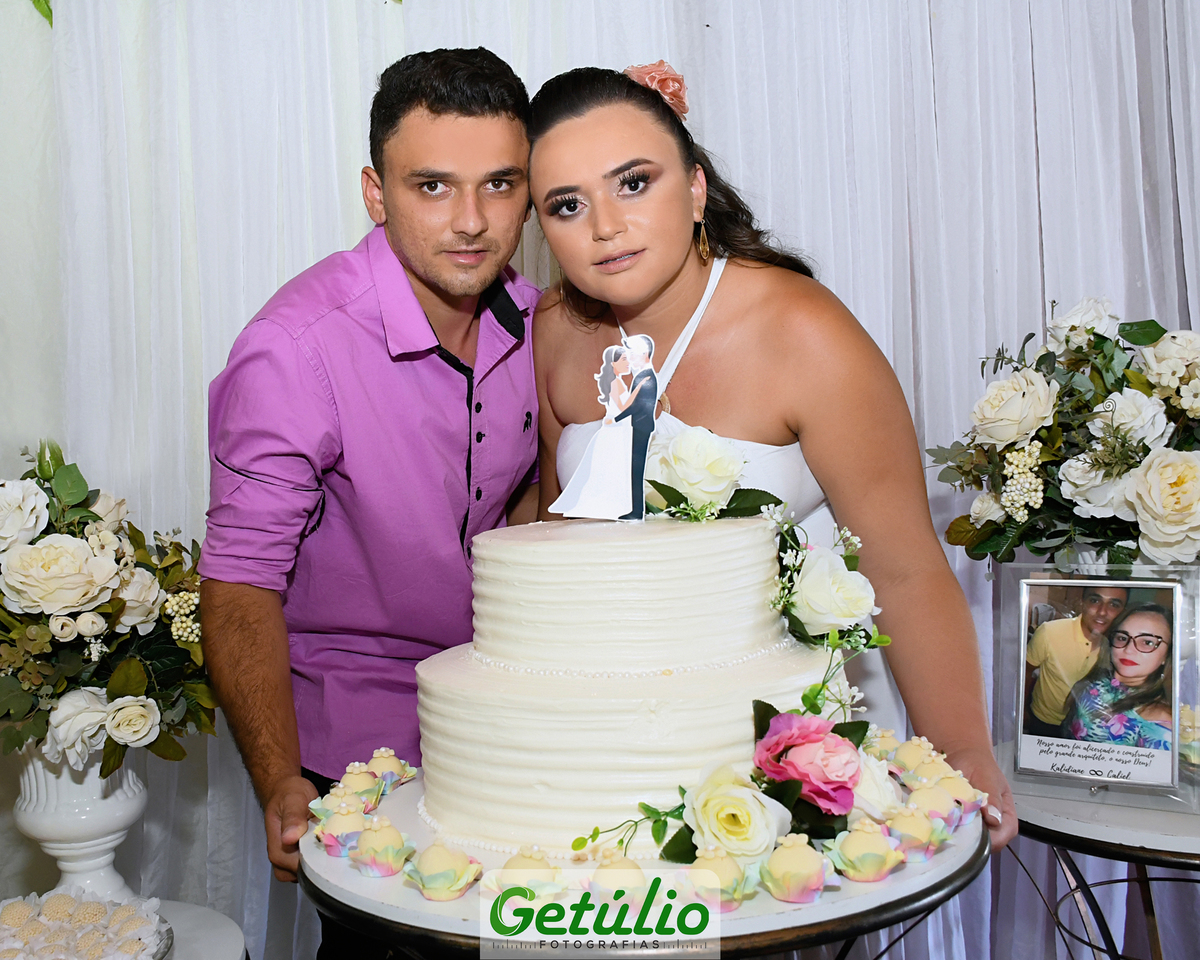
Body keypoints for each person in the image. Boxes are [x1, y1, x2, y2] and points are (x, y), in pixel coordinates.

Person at [527, 64, 1016, 847]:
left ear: (695, 189)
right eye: (567, 204)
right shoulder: (555, 331)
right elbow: (561, 550)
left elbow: (903, 569)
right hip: (626, 750)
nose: (605, 226)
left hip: (795, 748)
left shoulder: (804, 332)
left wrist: (963, 751)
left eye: (634, 183)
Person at [198, 48, 540, 951]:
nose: (471, 221)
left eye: (499, 184)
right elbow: (239, 584)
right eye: (432, 186)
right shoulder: (295, 349)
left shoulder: (542, 319)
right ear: (375, 193)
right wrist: (279, 779)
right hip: (361, 745)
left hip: (506, 730)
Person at [1024, 585, 1129, 738]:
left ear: (1123, 612)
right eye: (1095, 601)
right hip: (1045, 722)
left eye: (1113, 604)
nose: (1102, 611)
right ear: (1082, 603)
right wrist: (1022, 710)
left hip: (1089, 729)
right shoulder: (1050, 632)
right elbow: (1025, 672)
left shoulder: (1122, 646)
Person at [1064, 604, 1174, 750]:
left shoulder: (1160, 724)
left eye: (1147, 642)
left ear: (1167, 654)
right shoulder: (1101, 679)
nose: (1128, 649)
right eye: (1122, 638)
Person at [550, 345, 640, 518]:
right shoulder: (615, 383)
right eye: (623, 360)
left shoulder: (616, 382)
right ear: (613, 363)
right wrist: (638, 391)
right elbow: (623, 407)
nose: (627, 363)